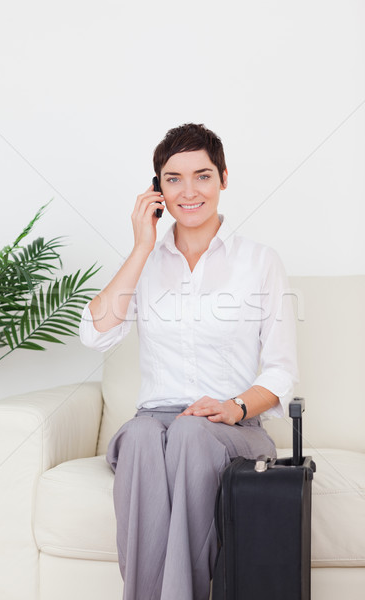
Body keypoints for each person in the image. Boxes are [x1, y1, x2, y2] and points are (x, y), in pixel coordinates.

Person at [79, 123, 299, 600]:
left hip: (232, 426)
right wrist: (141, 246)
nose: (189, 191)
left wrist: (235, 407)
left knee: (190, 433)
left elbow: (281, 371)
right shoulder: (147, 264)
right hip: (155, 422)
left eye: (202, 176)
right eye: (173, 179)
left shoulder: (259, 262)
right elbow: (94, 335)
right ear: (157, 191)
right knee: (138, 435)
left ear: (223, 178)